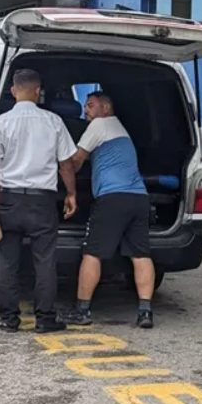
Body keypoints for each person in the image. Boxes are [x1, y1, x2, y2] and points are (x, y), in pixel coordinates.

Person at [0, 69, 78, 334]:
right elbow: (65, 164)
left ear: (13, 91)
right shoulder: (53, 121)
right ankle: (45, 319)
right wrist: (71, 194)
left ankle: (9, 319)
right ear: (37, 91)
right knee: (44, 261)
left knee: (7, 261)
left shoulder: (1, 123)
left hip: (10, 200)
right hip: (42, 202)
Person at [64, 92, 157, 329]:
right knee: (141, 254)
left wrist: (61, 174)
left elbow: (76, 160)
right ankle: (145, 312)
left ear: (106, 108)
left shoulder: (99, 125)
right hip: (139, 198)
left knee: (92, 253)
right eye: (85, 105)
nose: (86, 110)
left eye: (91, 105)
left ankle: (82, 310)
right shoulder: (120, 128)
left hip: (112, 198)